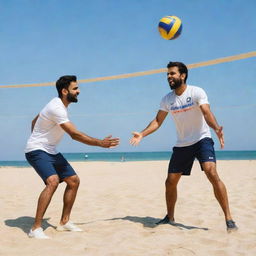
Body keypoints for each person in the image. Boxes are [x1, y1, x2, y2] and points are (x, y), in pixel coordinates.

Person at [130, 61, 238, 232]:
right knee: (170, 182)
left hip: (202, 140)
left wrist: (216, 128)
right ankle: (170, 216)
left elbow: (206, 112)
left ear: (183, 75)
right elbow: (158, 121)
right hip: (182, 144)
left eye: (172, 73)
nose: (169, 77)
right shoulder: (167, 99)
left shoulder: (196, 92)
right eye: (167, 74)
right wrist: (142, 134)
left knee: (211, 172)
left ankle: (229, 218)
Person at [25, 75, 119, 239]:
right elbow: (74, 135)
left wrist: (38, 135)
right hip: (37, 150)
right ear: (64, 91)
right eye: (75, 89)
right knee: (53, 181)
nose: (78, 91)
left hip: (50, 150)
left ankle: (64, 222)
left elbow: (35, 121)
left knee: (73, 181)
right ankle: (35, 228)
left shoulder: (57, 105)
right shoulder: (57, 108)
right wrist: (100, 143)